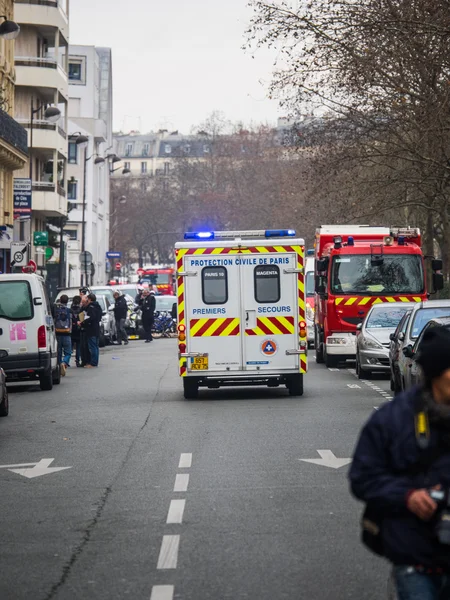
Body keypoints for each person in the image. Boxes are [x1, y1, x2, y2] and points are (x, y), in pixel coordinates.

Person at [349, 326, 450, 600]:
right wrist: (407, 497)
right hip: (414, 558)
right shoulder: (393, 419)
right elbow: (362, 477)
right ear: (436, 373)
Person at [80, 293, 102, 367]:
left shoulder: (91, 307)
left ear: (89, 299)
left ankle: (93, 363)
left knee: (92, 347)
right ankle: (94, 361)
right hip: (96, 328)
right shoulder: (97, 306)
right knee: (95, 346)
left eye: (87, 299)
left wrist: (83, 322)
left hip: (91, 329)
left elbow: (91, 317)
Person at [54, 294, 72, 376]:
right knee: (68, 352)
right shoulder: (69, 310)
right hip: (67, 333)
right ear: (67, 301)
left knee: (59, 351)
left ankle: (59, 364)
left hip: (57, 333)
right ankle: (64, 363)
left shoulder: (56, 310)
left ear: (60, 300)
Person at [79, 290, 91, 367]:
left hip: (87, 329)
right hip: (82, 328)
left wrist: (82, 322)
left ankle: (87, 361)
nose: (82, 304)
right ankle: (83, 361)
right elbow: (80, 316)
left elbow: (88, 318)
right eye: (82, 302)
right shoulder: (82, 308)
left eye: (83, 302)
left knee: (86, 346)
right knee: (82, 347)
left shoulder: (88, 308)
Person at [71, 295, 82, 367]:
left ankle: (66, 361)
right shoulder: (81, 310)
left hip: (71, 329)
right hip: (78, 329)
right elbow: (82, 320)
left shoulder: (70, 309)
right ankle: (77, 360)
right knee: (78, 346)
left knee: (70, 346)